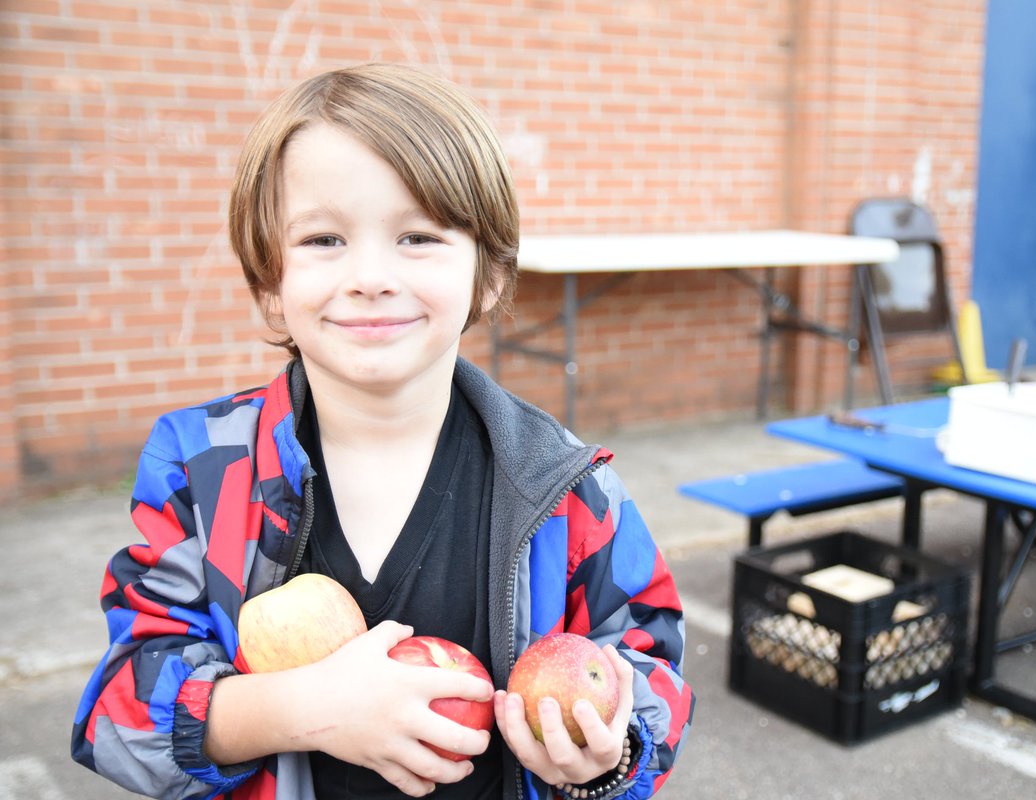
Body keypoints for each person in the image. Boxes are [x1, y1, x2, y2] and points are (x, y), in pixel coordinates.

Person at [71, 63, 694, 800]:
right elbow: (117, 715)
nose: (370, 274)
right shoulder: (202, 470)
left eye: (419, 237)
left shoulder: (566, 488)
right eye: (325, 240)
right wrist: (303, 711)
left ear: (488, 275)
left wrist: (608, 754)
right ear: (271, 287)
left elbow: (650, 669)